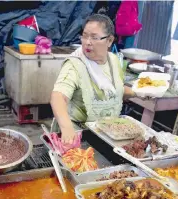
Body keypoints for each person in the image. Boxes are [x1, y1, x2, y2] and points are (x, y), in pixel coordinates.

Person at [50, 13, 135, 144]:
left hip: (108, 133)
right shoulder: (75, 64)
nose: (87, 42)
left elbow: (115, 90)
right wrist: (67, 129)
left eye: (94, 37)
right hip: (78, 134)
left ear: (109, 40)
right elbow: (58, 97)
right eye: (85, 36)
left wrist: (139, 92)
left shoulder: (113, 60)